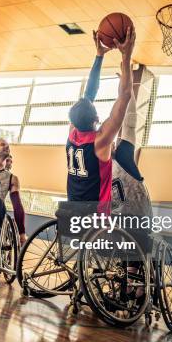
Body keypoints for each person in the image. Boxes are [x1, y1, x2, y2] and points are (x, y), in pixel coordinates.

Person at [66, 26, 136, 212]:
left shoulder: (72, 133)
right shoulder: (100, 140)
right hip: (94, 211)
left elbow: (89, 93)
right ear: (96, 118)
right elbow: (125, 95)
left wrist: (99, 56)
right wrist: (126, 55)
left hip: (72, 204)